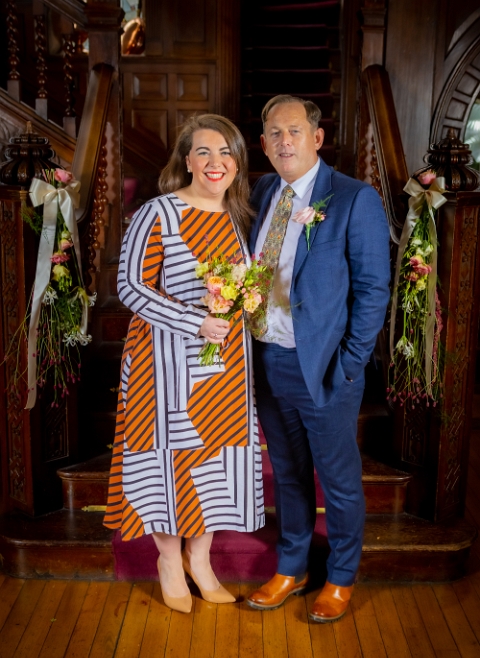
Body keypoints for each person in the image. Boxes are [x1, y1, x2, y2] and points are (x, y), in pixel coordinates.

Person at [104, 114, 264, 613]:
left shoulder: (236, 217)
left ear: (238, 162)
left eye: (226, 152)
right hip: (165, 365)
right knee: (169, 461)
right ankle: (170, 562)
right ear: (187, 160)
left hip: (225, 368)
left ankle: (201, 560)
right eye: (204, 152)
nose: (216, 163)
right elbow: (129, 287)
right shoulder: (159, 213)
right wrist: (194, 322)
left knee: (214, 459)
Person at [246, 95, 390, 622]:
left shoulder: (354, 198)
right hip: (267, 360)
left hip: (326, 368)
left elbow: (373, 289)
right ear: (263, 144)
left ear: (317, 138)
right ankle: (293, 567)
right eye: (274, 134)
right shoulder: (263, 190)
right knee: (288, 473)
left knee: (338, 479)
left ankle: (341, 576)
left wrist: (349, 364)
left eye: (294, 131)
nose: (284, 141)